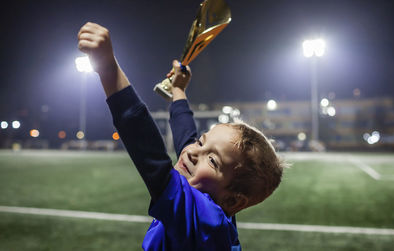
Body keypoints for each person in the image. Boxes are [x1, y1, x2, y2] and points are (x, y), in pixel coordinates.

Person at [77, 22, 286, 250]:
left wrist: (108, 68)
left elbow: (149, 153)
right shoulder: (218, 207)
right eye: (201, 142)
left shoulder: (204, 220)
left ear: (233, 200)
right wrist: (179, 90)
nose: (194, 152)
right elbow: (186, 137)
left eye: (213, 160)